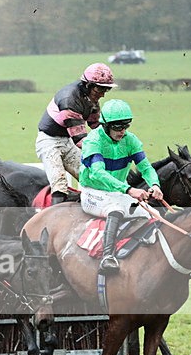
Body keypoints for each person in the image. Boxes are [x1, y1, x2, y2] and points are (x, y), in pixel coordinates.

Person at [78, 99, 163, 274]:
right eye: (118, 127)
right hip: (92, 192)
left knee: (151, 213)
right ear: (106, 125)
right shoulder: (93, 141)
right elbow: (98, 173)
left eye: (126, 126)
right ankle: (107, 257)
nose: (122, 131)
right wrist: (129, 189)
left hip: (117, 191)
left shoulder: (130, 140)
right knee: (116, 209)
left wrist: (155, 184)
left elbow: (146, 168)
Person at [36, 63, 117, 206]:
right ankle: (53, 219)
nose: (103, 93)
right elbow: (81, 140)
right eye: (100, 89)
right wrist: (102, 153)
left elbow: (95, 125)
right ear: (88, 85)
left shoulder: (91, 98)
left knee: (92, 177)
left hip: (67, 141)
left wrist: (113, 143)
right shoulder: (69, 101)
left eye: (106, 89)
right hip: (49, 142)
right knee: (60, 184)